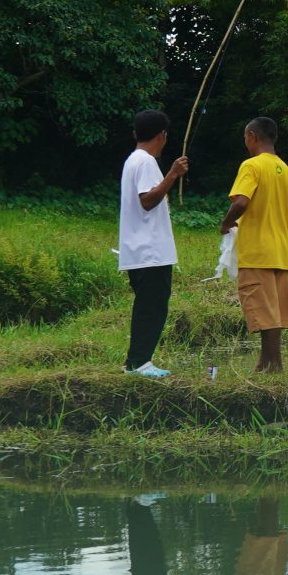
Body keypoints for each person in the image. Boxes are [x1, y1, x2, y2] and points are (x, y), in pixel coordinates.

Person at [222, 116, 288, 374]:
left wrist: (226, 223)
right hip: (280, 251)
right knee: (274, 312)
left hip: (257, 251)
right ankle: (265, 362)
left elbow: (241, 202)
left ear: (252, 136)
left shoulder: (252, 166)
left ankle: (276, 364)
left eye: (245, 137)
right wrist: (275, 213)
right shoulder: (286, 170)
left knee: (263, 310)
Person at [118, 109, 187, 377]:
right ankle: (139, 363)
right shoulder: (145, 162)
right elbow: (147, 200)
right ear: (162, 136)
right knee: (152, 307)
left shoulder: (133, 160)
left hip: (141, 251)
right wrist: (172, 174)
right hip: (149, 252)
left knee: (149, 305)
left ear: (136, 133)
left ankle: (137, 361)